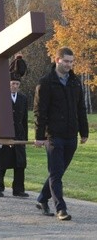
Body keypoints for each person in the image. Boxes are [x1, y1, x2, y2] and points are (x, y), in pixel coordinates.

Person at [34, 47, 89, 221]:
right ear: (57, 60)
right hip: (53, 135)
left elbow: (81, 108)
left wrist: (84, 131)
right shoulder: (46, 82)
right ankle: (61, 208)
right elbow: (39, 112)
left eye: (71, 62)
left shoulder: (75, 82)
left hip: (71, 134)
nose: (69, 65)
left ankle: (42, 198)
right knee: (56, 173)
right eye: (66, 61)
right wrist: (39, 136)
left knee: (58, 171)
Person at [0, 75, 29, 197]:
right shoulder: (0, 96)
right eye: (13, 83)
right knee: (0, 161)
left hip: (18, 134)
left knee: (20, 162)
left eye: (17, 84)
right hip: (2, 132)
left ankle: (18, 189)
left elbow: (24, 119)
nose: (15, 86)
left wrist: (25, 139)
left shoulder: (23, 98)